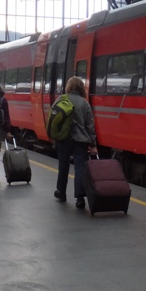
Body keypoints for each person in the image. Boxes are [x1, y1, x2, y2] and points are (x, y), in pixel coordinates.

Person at [54, 76, 98, 208]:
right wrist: (93, 144)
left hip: (63, 139)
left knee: (63, 166)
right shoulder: (84, 103)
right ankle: (80, 198)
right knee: (80, 168)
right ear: (81, 88)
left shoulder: (60, 99)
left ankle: (61, 192)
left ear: (69, 87)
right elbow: (90, 126)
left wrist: (54, 136)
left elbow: (54, 120)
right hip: (81, 140)